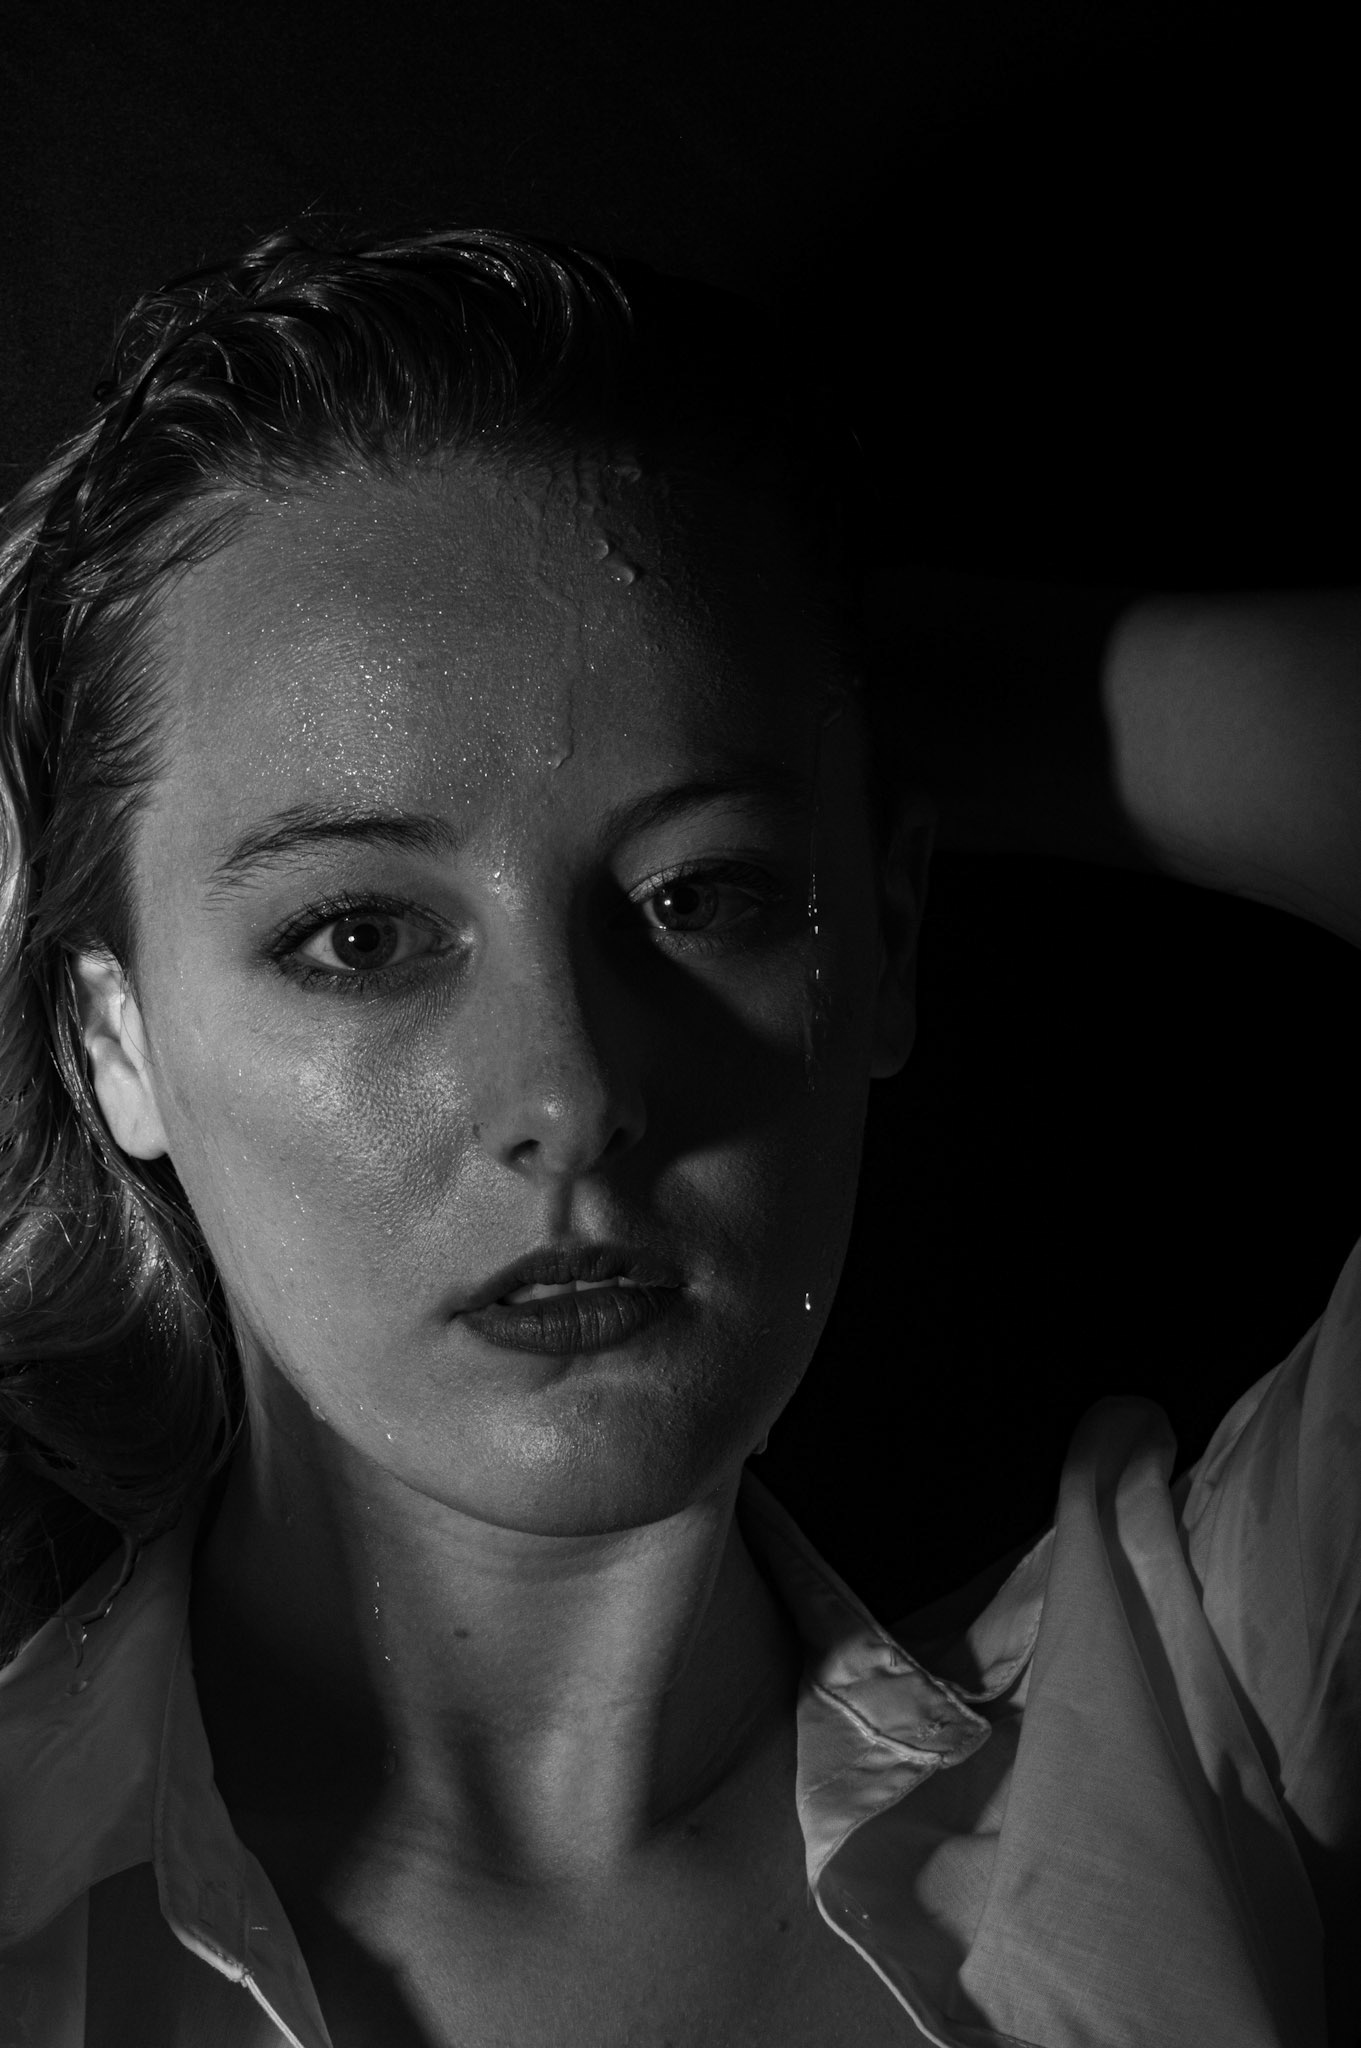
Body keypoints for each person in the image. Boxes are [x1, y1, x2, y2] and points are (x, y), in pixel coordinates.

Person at [0, 224, 1355, 2048]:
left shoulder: (1188, 1743)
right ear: (116, 1041)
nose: (571, 1092)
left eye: (701, 893)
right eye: (360, 936)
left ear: (884, 941)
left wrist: (822, 669)